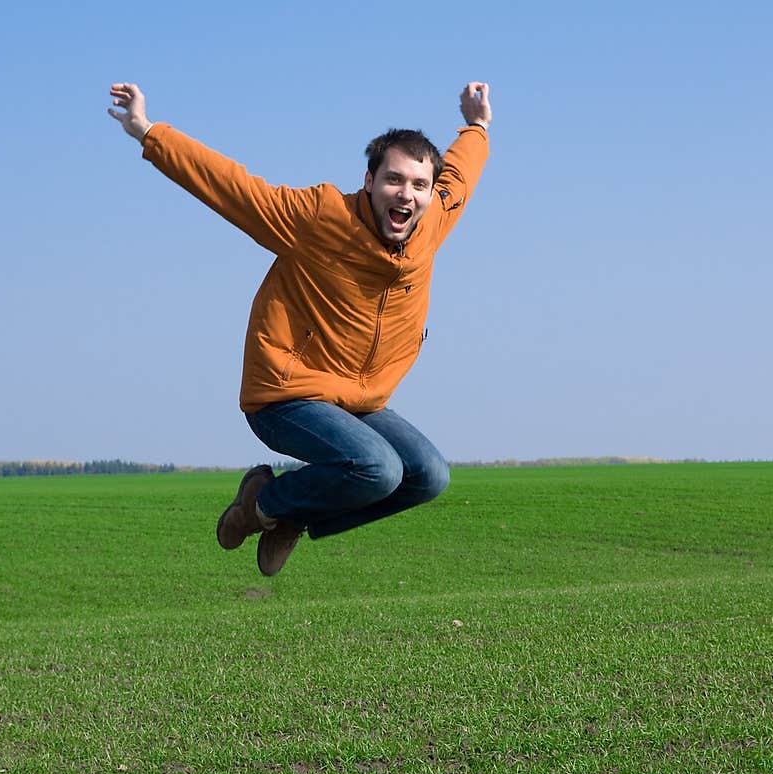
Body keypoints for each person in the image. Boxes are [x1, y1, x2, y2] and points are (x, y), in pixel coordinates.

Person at [108, 80, 492, 576]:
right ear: (370, 180)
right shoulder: (319, 217)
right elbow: (233, 189)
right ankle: (267, 503)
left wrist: (477, 123)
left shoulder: (433, 220)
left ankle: (286, 513)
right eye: (394, 180)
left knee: (429, 476)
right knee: (380, 469)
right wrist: (146, 130)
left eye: (419, 185)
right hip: (284, 393)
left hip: (358, 400)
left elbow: (462, 172)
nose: (408, 194)